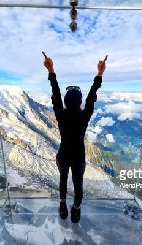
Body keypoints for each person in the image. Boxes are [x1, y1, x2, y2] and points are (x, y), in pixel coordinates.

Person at [43, 52, 107, 223]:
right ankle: (76, 210)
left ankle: (63, 205)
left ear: (65, 102)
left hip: (63, 155)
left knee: (63, 180)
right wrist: (99, 74)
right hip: (79, 157)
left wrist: (51, 70)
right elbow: (92, 96)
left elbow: (55, 93)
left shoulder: (60, 115)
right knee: (78, 185)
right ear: (79, 102)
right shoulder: (84, 116)